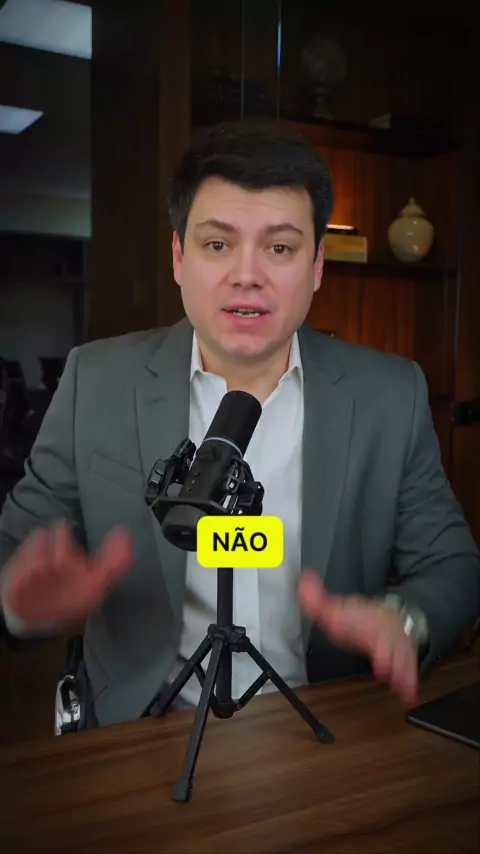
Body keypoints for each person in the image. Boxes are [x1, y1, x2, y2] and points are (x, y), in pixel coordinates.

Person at [0, 122, 479, 730]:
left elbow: (453, 565)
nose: (247, 274)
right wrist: (18, 598)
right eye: (218, 244)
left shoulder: (390, 394)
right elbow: (14, 547)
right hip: (144, 731)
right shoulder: (97, 382)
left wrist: (405, 621)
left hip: (327, 726)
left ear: (317, 265)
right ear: (179, 257)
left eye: (279, 248)